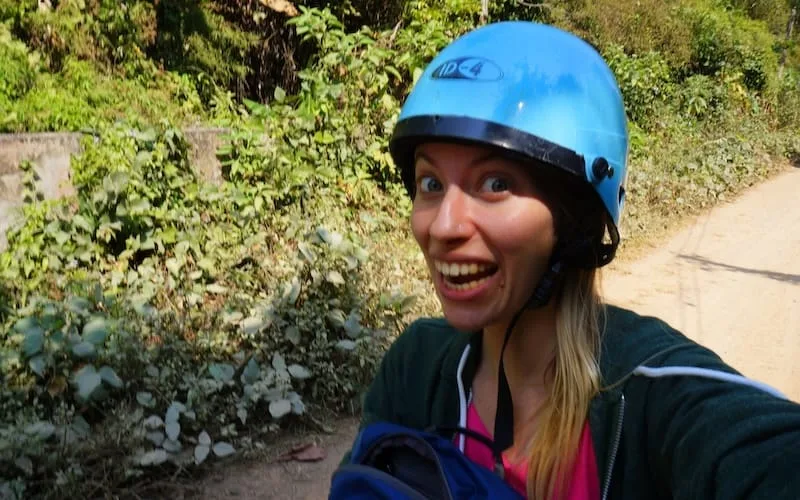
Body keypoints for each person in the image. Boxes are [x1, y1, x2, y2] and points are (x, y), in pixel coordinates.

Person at [340, 21, 800, 499]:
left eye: (495, 184)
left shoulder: (654, 394)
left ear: (576, 220)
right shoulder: (416, 367)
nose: (443, 226)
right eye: (430, 184)